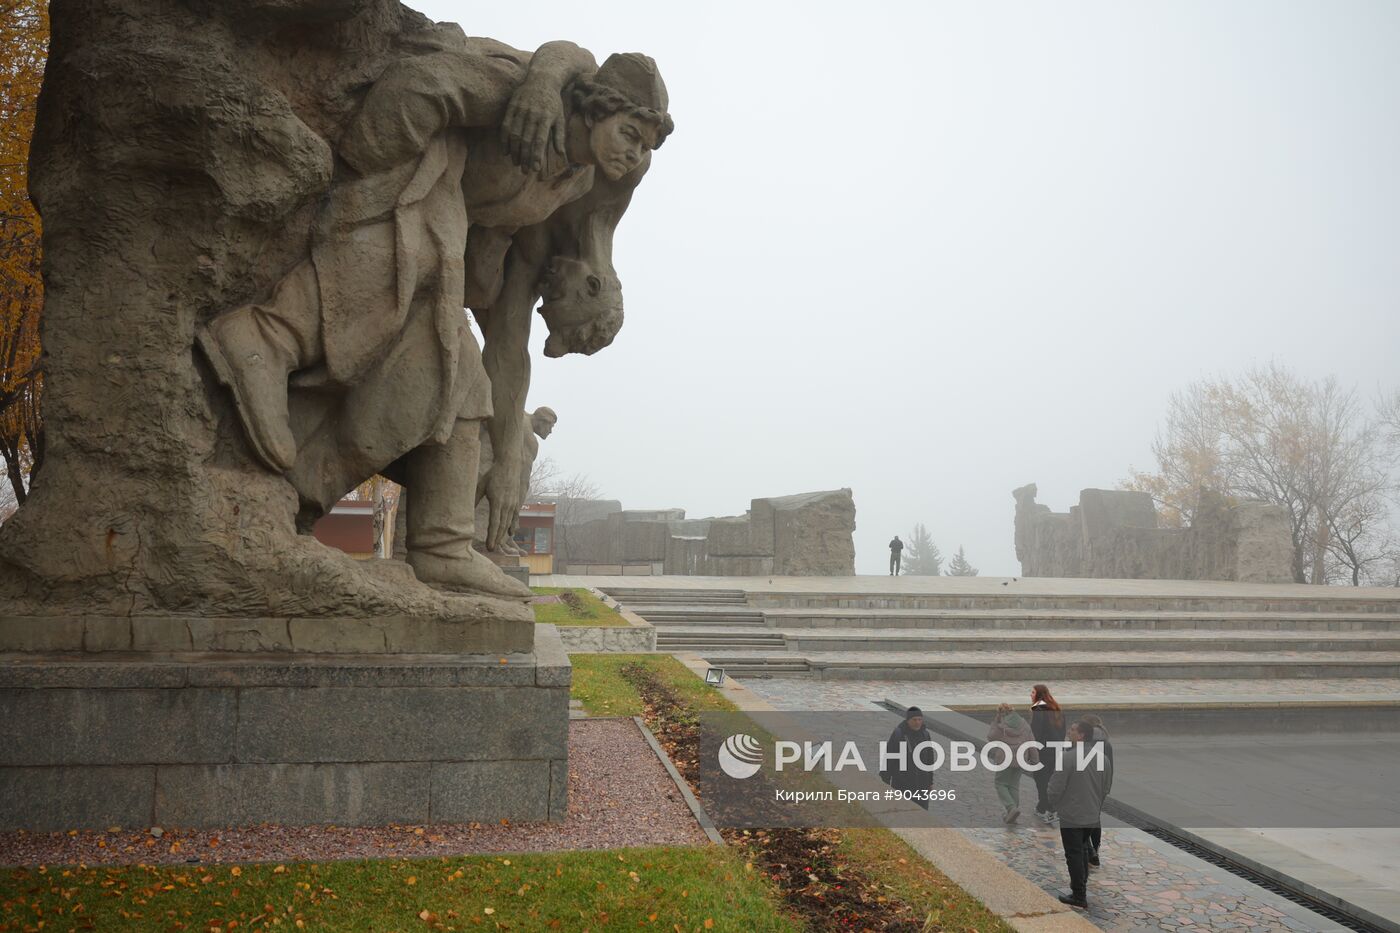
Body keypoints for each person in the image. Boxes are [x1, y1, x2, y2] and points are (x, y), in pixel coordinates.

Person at [197, 35, 671, 597]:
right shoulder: (523, 99)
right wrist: (375, 169)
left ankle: (435, 543)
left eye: (645, 147)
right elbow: (420, 86)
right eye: (629, 134)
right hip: (399, 185)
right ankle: (263, 336)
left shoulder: (573, 180)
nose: (634, 155)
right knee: (417, 258)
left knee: (465, 385)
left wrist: (512, 454)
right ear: (594, 107)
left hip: (445, 233)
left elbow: (509, 331)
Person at [1048, 719, 1113, 909]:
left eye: (1074, 730)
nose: (1069, 731)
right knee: (1083, 848)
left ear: (1082, 735)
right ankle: (1081, 887)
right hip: (1092, 815)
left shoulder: (1067, 758)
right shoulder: (1103, 759)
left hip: (1072, 815)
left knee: (1074, 853)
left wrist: (1056, 804)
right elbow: (1106, 787)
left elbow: (1054, 788)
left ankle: (1079, 894)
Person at [986, 702, 1036, 824]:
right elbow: (1031, 742)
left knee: (1000, 783)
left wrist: (995, 722)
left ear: (1000, 713)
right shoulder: (1024, 724)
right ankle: (1012, 814)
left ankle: (1011, 808)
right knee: (1014, 785)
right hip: (1021, 759)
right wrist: (1035, 759)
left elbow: (990, 737)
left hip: (1005, 759)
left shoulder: (1001, 726)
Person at [880, 706, 934, 809]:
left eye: (919, 719)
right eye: (914, 720)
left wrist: (930, 781)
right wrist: (885, 781)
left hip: (922, 785)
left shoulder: (925, 735)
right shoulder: (899, 734)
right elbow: (889, 758)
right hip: (903, 785)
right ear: (908, 720)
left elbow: (929, 760)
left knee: (921, 815)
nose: (917, 722)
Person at [1080, 713, 1114, 866]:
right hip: (1100, 786)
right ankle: (1095, 849)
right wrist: (1106, 787)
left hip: (1084, 784)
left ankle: (1089, 849)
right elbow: (1110, 768)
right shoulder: (1106, 743)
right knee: (1095, 817)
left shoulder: (1084, 743)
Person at [1029, 683, 1065, 823]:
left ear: (1039, 694)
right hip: (1056, 749)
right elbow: (1062, 731)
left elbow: (1036, 732)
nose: (1030, 695)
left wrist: (1032, 750)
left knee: (1041, 780)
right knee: (1050, 779)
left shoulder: (1038, 708)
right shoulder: (1056, 708)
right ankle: (1043, 808)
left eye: (1032, 692)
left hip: (1043, 751)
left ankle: (1048, 809)